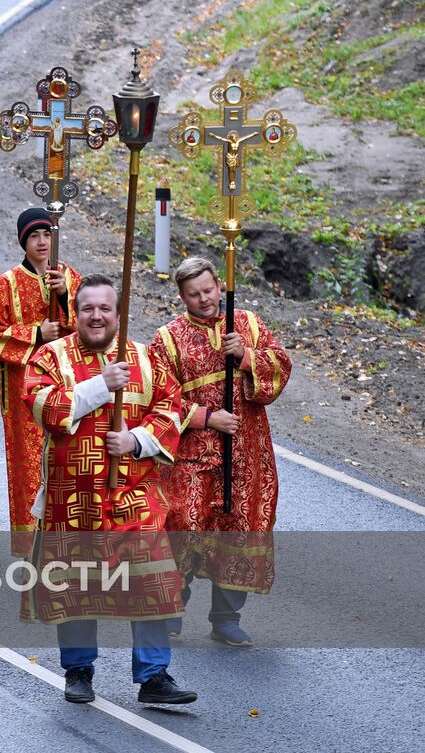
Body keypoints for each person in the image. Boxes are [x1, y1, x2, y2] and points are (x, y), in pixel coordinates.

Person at [22, 275, 196, 707]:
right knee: (77, 585)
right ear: (75, 313)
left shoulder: (147, 358)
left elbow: (171, 412)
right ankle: (78, 670)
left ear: (118, 314)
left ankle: (154, 674)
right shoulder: (50, 356)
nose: (96, 316)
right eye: (87, 309)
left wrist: (135, 441)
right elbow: (43, 407)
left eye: (105, 309)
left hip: (134, 494)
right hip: (73, 497)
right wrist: (102, 385)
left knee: (152, 579)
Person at [151, 257, 292, 646]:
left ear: (219, 285)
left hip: (246, 449)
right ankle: (171, 611)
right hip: (192, 454)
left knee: (241, 524)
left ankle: (226, 617)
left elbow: (281, 365)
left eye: (209, 290)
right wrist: (205, 417)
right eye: (194, 294)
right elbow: (156, 398)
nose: (204, 300)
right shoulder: (167, 338)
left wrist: (246, 357)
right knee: (183, 523)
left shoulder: (246, 324)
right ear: (181, 296)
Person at [0, 208, 81, 556]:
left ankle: (65, 543)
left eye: (47, 235)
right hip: (23, 393)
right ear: (24, 240)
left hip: (67, 387)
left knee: (69, 462)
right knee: (28, 467)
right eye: (34, 236)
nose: (41, 242)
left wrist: (65, 297)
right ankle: (30, 548)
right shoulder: (6, 283)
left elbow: (92, 326)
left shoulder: (70, 277)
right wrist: (37, 333)